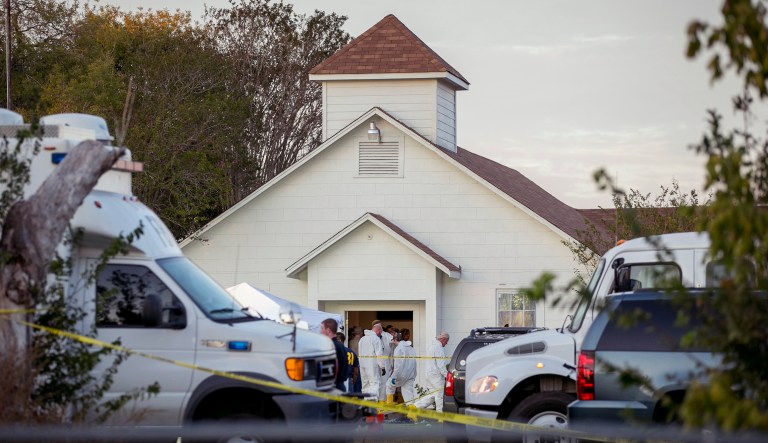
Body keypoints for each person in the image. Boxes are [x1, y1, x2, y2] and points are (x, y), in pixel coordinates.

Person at [415, 332, 450, 412]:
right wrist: (447, 376)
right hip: (436, 376)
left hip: (429, 375)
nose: (447, 343)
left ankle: (415, 407)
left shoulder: (431, 346)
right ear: (443, 339)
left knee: (432, 395)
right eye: (446, 341)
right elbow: (441, 365)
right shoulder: (439, 348)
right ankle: (440, 416)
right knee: (439, 396)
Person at [386, 328, 416, 404]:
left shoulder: (399, 349)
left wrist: (393, 376)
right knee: (408, 394)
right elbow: (414, 363)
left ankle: (389, 405)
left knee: (389, 385)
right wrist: (413, 375)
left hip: (400, 375)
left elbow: (398, 365)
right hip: (410, 375)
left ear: (396, 339)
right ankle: (412, 413)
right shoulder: (411, 348)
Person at [358, 323, 385, 398]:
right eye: (380, 332)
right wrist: (382, 367)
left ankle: (366, 404)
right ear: (378, 330)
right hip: (372, 365)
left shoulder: (362, 339)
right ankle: (372, 404)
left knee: (365, 384)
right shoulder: (376, 339)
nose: (380, 334)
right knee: (374, 384)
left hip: (362, 365)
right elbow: (379, 354)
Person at [320, 318, 348, 392]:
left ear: (328, 330)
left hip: (334, 386)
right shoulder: (340, 345)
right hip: (339, 385)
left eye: (322, 328)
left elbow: (332, 367)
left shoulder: (331, 346)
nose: (320, 331)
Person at [372, 320, 394, 400]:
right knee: (374, 382)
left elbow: (393, 342)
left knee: (384, 382)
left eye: (380, 327)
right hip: (373, 362)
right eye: (378, 327)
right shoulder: (370, 336)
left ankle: (382, 401)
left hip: (385, 361)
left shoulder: (386, 335)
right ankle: (374, 401)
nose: (380, 329)